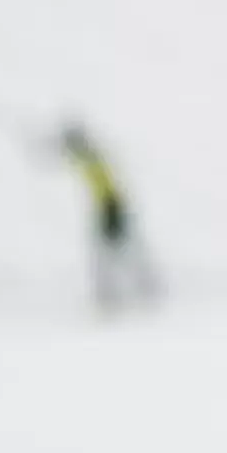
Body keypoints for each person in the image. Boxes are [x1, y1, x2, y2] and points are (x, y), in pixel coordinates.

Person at [55, 121, 160, 313]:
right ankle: (139, 284)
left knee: (108, 252)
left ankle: (121, 289)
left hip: (109, 208)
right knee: (118, 250)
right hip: (110, 207)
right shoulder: (92, 156)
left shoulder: (92, 157)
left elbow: (77, 158)